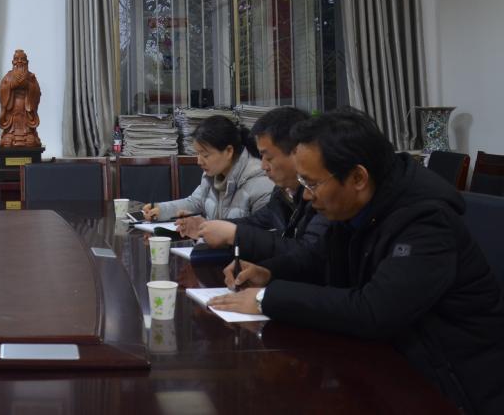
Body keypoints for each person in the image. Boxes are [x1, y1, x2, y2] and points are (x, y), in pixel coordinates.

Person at [211, 109, 504, 414]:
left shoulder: (426, 221)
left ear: (358, 178)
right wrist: (268, 273)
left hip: (451, 389)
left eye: (312, 183)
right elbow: (317, 257)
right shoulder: (358, 203)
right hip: (385, 368)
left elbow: (375, 310)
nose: (306, 196)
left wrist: (266, 299)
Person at [197, 107, 328, 261]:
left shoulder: (322, 196)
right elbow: (256, 222)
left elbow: (307, 253)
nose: (263, 166)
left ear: (297, 153)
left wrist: (235, 234)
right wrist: (208, 226)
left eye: (269, 158)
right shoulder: (282, 193)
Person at [144, 115, 273, 237]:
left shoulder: (260, 183)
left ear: (229, 151)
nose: (199, 161)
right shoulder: (212, 174)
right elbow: (195, 202)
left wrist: (210, 229)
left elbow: (262, 238)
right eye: (198, 154)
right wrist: (161, 210)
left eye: (205, 155)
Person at [0, 49, 42, 147]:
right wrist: (11, 85)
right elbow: (1, 91)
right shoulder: (8, 76)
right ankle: (9, 135)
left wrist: (28, 85)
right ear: (13, 62)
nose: (19, 61)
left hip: (26, 110)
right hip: (12, 110)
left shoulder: (31, 77)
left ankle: (29, 134)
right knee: (8, 141)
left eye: (22, 59)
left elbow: (37, 92)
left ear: (27, 62)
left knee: (30, 142)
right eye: (17, 59)